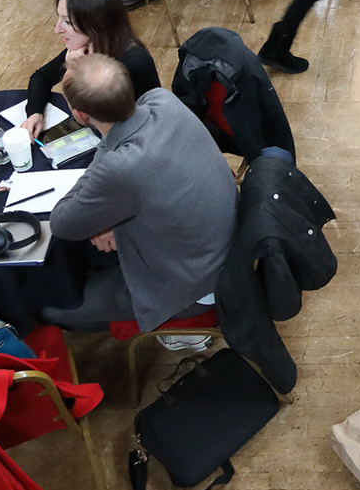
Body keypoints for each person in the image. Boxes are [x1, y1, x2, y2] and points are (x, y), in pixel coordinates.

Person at [41, 54, 238, 331]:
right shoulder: (163, 100)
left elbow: (62, 222)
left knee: (52, 309)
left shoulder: (120, 167)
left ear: (81, 115)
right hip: (216, 248)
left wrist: (103, 190)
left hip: (192, 287)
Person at [21, 0, 162, 140]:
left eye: (67, 22)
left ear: (94, 25)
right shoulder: (89, 45)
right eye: (59, 18)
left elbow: (98, 121)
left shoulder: (132, 62)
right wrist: (35, 114)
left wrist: (74, 71)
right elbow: (42, 77)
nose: (57, 29)